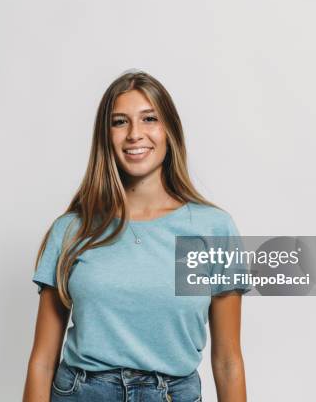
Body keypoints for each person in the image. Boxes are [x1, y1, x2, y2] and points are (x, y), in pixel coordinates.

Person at [23, 70, 251, 402]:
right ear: (106, 136)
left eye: (149, 119)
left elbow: (228, 361)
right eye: (119, 122)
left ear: (169, 130)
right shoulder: (72, 230)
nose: (135, 134)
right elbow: (42, 362)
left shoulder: (212, 230)